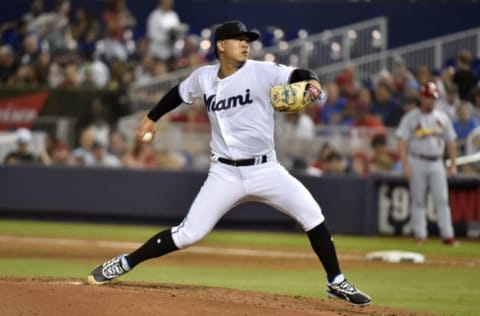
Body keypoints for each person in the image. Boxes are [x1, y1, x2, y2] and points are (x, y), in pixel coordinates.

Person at [87, 20, 371, 306]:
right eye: (238, 39)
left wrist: (312, 83)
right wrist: (151, 117)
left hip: (265, 169)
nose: (245, 43)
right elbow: (178, 93)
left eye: (247, 39)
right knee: (188, 234)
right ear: (221, 46)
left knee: (312, 214)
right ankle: (124, 263)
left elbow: (300, 73)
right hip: (224, 173)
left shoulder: (262, 71)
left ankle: (336, 281)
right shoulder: (203, 78)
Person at [396, 81, 458, 246]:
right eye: (428, 97)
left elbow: (451, 141)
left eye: (433, 98)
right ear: (422, 97)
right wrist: (405, 165)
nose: (431, 101)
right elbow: (401, 141)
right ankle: (420, 234)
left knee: (442, 199)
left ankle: (448, 235)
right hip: (417, 159)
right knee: (418, 200)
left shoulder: (442, 117)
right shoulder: (411, 117)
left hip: (437, 162)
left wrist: (453, 164)